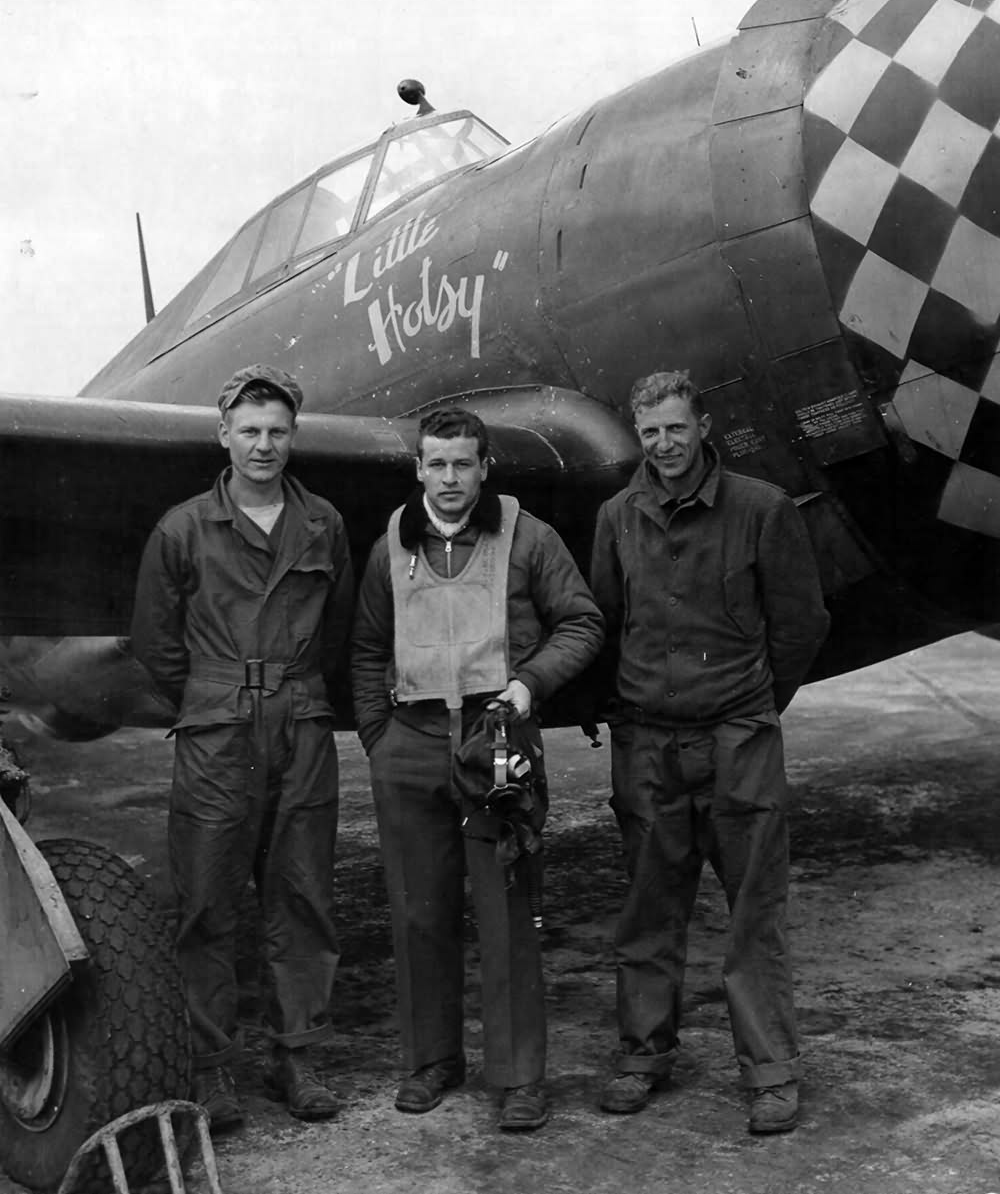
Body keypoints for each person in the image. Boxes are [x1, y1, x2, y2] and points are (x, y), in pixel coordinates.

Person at [589, 370, 829, 1134]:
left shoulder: (762, 509)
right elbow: (609, 615)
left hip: (738, 742)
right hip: (650, 746)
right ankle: (641, 1054)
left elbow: (800, 624)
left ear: (703, 426)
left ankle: (770, 1072)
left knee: (754, 911)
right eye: (650, 431)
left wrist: (751, 706)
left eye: (676, 428)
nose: (663, 444)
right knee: (648, 908)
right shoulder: (617, 516)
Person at [351, 407, 604, 1132]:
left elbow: (582, 620)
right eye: (437, 463)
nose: (451, 477)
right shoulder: (391, 545)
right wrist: (381, 739)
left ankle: (519, 1077)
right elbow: (368, 648)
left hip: (497, 740)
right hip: (411, 741)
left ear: (485, 466)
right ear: (419, 469)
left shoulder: (529, 536)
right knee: (418, 911)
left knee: (508, 911)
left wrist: (529, 683)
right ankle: (431, 1061)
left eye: (465, 463)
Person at [131, 364, 353, 1130]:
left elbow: (339, 627)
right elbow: (156, 645)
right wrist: (211, 699)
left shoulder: (322, 522)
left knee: (303, 895)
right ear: (224, 434)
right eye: (250, 431)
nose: (264, 445)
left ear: (295, 437)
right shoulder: (183, 528)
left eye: (278, 431)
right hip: (218, 731)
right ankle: (213, 1065)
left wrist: (293, 696)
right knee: (206, 898)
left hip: (301, 722)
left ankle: (299, 1054)